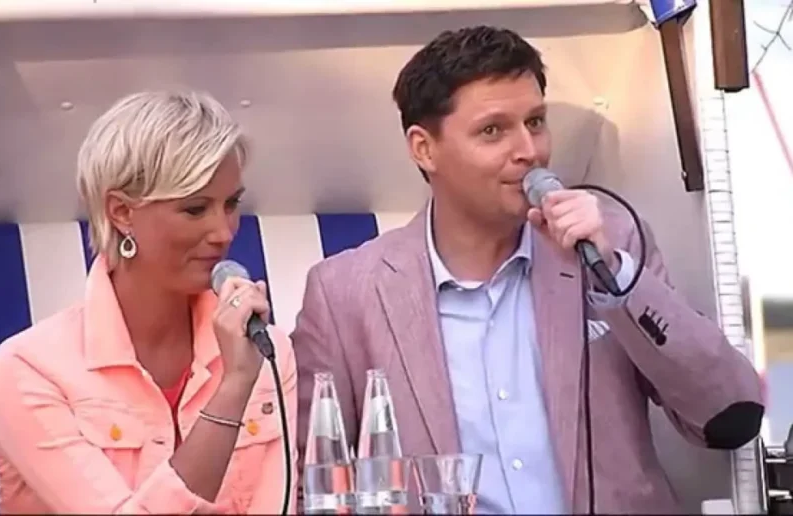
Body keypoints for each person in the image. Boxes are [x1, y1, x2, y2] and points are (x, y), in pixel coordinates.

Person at [291, 26, 763, 514]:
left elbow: (728, 413)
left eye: (535, 122)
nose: (529, 151)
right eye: (492, 131)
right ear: (424, 149)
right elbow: (314, 490)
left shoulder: (611, 243)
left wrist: (618, 278)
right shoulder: (345, 293)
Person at [0, 90, 297, 514]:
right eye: (195, 209)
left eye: (231, 204)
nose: (223, 232)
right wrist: (233, 388)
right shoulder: (29, 368)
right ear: (121, 212)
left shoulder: (269, 350)